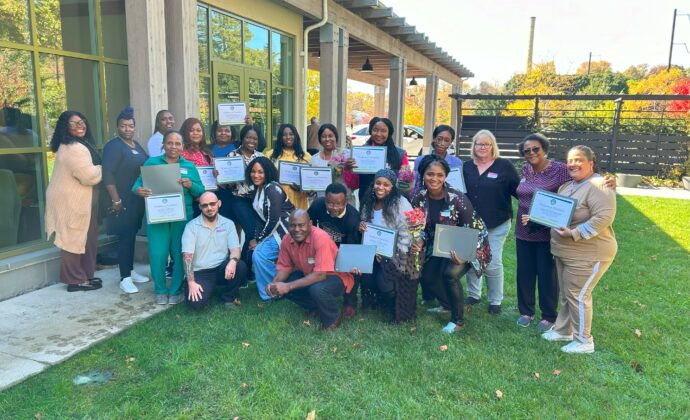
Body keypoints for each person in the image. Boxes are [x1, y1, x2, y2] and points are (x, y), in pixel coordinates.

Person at [541, 146, 617, 354]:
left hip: (590, 252)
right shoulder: (567, 186)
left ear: (591, 162)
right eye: (570, 160)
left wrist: (574, 233)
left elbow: (604, 218)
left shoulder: (600, 185)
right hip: (565, 251)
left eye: (578, 160)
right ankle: (564, 330)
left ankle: (584, 341)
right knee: (567, 293)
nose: (573, 164)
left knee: (578, 294)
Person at [411, 155, 491, 333]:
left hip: (470, 246)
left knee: (449, 274)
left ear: (445, 176)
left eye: (440, 175)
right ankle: (447, 305)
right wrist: (420, 240)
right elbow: (419, 226)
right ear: (423, 175)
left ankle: (458, 321)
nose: (435, 179)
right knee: (427, 275)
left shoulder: (457, 199)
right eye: (430, 174)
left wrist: (465, 254)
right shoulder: (419, 197)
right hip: (440, 245)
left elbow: (474, 229)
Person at [132, 131, 204, 305]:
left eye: (177, 143)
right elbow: (137, 184)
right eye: (169, 143)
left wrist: (190, 184)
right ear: (163, 145)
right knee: (158, 254)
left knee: (181, 253)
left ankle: (175, 290)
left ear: (182, 146)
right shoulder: (152, 162)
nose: (173, 146)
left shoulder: (189, 166)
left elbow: (200, 191)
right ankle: (160, 289)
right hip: (158, 216)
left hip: (183, 216)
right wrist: (138, 190)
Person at [265, 209, 353, 330]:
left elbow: (320, 275)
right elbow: (285, 267)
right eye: (293, 225)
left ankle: (333, 317)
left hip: (335, 276)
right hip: (311, 275)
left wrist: (288, 286)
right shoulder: (286, 239)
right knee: (285, 284)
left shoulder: (320, 238)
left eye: (301, 225)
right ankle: (316, 306)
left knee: (317, 289)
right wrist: (274, 284)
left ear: (310, 224)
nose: (296, 229)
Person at [462, 129, 519, 314]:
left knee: (492, 262)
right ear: (474, 146)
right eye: (479, 144)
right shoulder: (467, 167)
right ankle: (474, 294)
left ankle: (495, 300)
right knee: (473, 259)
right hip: (471, 223)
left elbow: (520, 191)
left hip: (497, 222)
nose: (482, 147)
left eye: (486, 144)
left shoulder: (504, 167)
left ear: (493, 146)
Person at [45, 111, 103, 292]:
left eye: (82, 121)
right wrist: (104, 167)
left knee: (87, 237)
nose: (80, 126)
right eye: (74, 124)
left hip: (82, 201)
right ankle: (75, 281)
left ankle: (85, 274)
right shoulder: (73, 148)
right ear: (65, 127)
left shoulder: (80, 143)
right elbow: (88, 177)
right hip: (70, 201)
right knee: (73, 239)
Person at [358, 169, 418, 323]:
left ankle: (394, 306)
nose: (381, 187)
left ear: (393, 187)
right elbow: (366, 226)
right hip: (374, 252)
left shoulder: (401, 204)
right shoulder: (368, 202)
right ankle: (378, 302)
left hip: (397, 254)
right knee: (365, 279)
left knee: (384, 283)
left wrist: (392, 255)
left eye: (386, 184)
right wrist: (362, 226)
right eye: (378, 183)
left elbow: (407, 234)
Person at [102, 106, 149, 294]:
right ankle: (125, 278)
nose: (127, 129)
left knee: (131, 236)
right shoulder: (114, 146)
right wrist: (116, 200)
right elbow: (108, 175)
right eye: (123, 126)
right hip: (121, 200)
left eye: (130, 126)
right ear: (117, 128)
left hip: (136, 198)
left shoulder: (136, 145)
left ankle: (130, 271)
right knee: (125, 238)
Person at [182, 192, 248, 309]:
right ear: (200, 207)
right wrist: (191, 283)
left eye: (212, 204)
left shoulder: (228, 224)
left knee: (240, 266)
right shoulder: (191, 227)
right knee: (196, 304)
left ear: (219, 204)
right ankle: (203, 290)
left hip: (221, 268)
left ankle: (229, 297)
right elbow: (187, 257)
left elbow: (235, 250)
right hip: (201, 272)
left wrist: (232, 262)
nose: (209, 208)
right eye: (205, 205)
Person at [308, 183, 361, 317]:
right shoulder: (317, 205)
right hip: (322, 247)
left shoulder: (352, 217)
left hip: (343, 249)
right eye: (330, 203)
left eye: (339, 204)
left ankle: (350, 302)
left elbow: (351, 248)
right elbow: (309, 225)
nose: (334, 208)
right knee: (310, 264)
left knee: (352, 269)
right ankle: (314, 302)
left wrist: (345, 262)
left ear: (346, 202)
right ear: (325, 200)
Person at [247, 156, 295, 301]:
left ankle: (273, 291)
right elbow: (259, 218)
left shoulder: (272, 188)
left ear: (267, 173)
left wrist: (258, 239)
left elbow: (274, 219)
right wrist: (256, 238)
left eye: (260, 172)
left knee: (259, 255)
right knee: (258, 253)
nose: (256, 175)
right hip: (273, 232)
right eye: (253, 171)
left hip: (285, 232)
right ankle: (277, 288)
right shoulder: (258, 189)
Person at [223, 125, 264, 268]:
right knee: (251, 231)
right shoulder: (232, 156)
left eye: (255, 138)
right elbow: (226, 185)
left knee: (256, 232)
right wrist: (221, 177)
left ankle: (247, 266)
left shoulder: (260, 157)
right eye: (248, 137)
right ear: (242, 138)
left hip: (258, 201)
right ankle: (244, 267)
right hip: (239, 200)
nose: (251, 141)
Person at [344, 117, 409, 207]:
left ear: (389, 132)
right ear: (370, 131)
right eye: (375, 130)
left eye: (383, 131)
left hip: (391, 203)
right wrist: (348, 169)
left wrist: (405, 175)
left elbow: (405, 183)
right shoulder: (360, 153)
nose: (379, 134)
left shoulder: (400, 154)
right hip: (366, 202)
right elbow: (354, 184)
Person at [265, 123, 311, 209]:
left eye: (291, 134)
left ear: (295, 136)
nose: (288, 137)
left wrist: (303, 187)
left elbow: (310, 182)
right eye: (284, 135)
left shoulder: (306, 156)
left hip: (299, 200)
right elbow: (266, 178)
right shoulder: (270, 155)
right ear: (280, 137)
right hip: (278, 199)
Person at [309, 123, 355, 206]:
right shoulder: (314, 159)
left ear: (336, 137)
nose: (327, 139)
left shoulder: (346, 155)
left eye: (330, 136)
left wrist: (347, 168)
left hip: (345, 203)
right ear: (320, 139)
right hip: (322, 203)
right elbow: (311, 183)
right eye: (324, 136)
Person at [412, 125, 462, 195]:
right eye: (439, 139)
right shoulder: (420, 160)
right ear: (434, 138)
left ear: (451, 142)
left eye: (446, 140)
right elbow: (416, 184)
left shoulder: (456, 162)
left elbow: (458, 188)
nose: (442, 143)